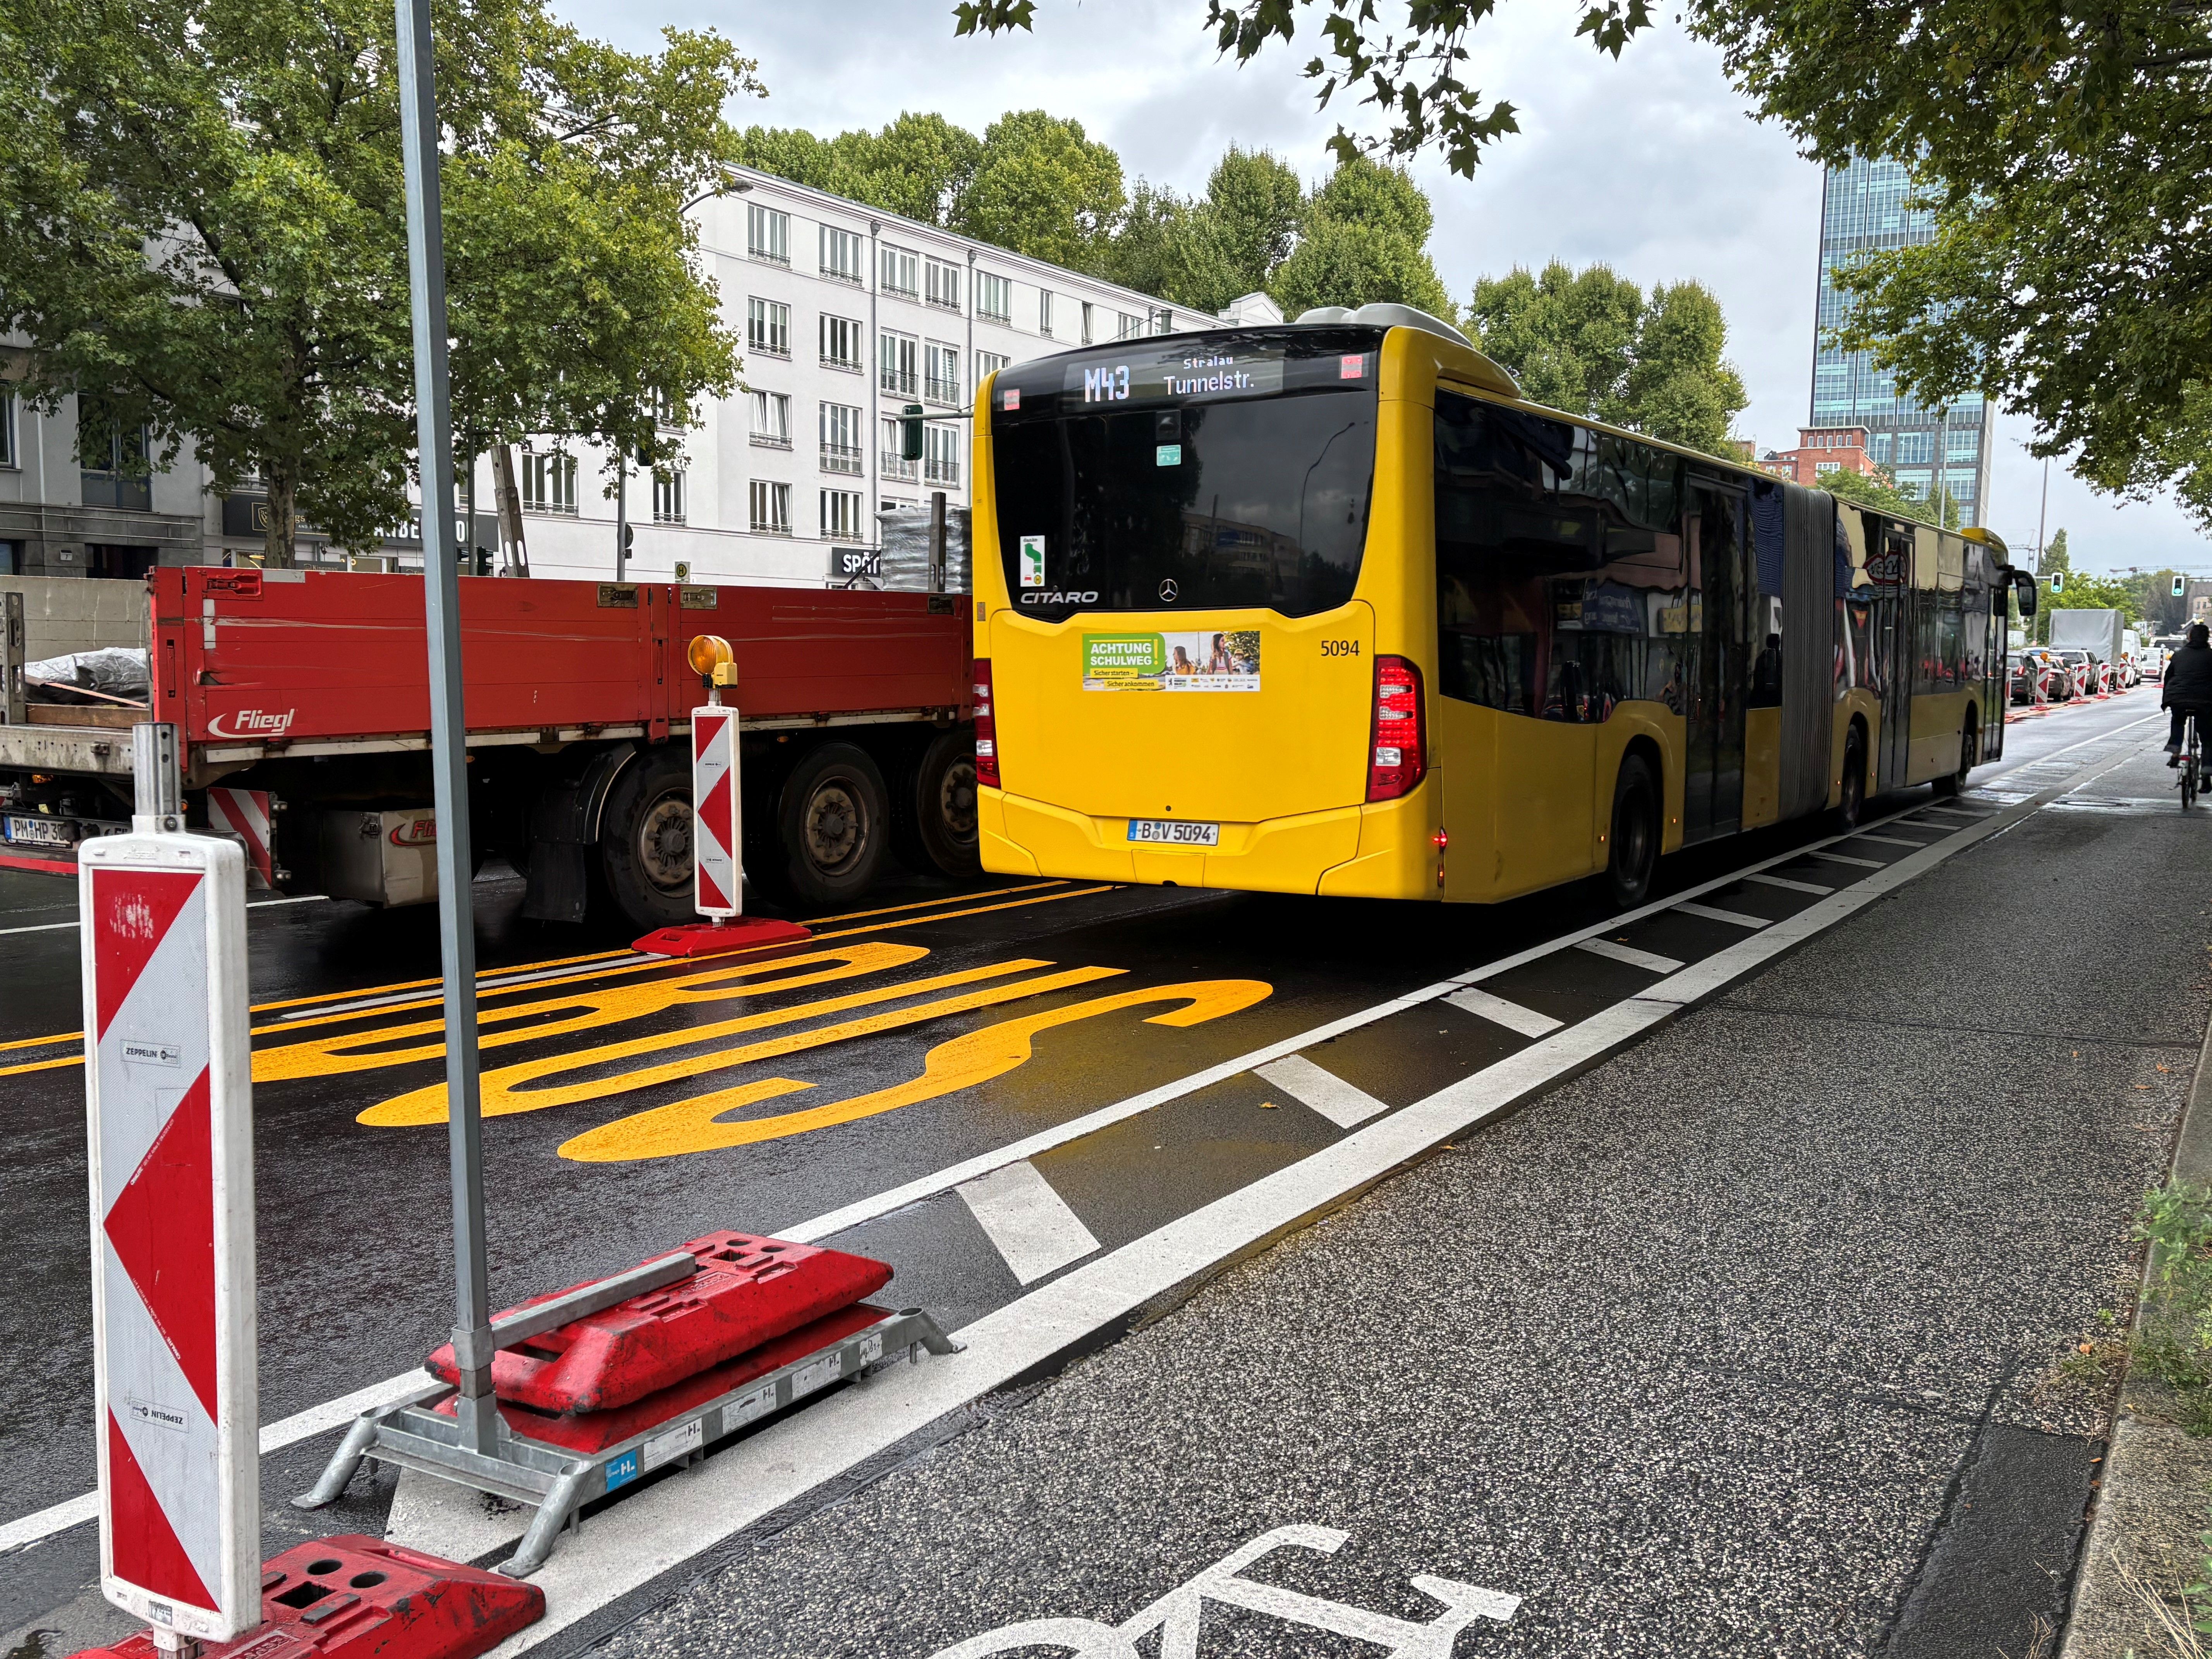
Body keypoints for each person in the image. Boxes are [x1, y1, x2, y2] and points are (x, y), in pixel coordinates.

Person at [2162, 621, 2212, 765]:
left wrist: (2167, 699)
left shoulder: (2179, 655)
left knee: (2178, 720)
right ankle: (2207, 765)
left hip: (2179, 698)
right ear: (2207, 638)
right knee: (2207, 731)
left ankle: (2175, 750)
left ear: (2190, 637)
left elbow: (2168, 678)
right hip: (2205, 701)